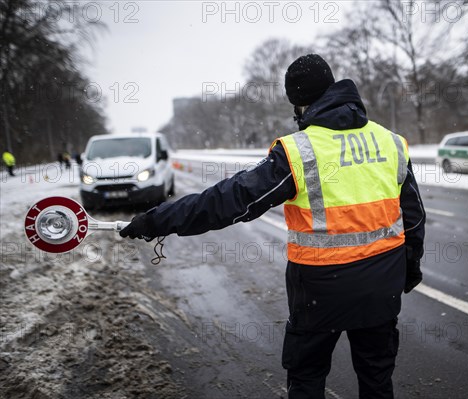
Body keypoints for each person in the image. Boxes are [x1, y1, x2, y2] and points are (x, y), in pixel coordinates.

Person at [120, 54, 426, 399]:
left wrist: (159, 219)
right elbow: (413, 216)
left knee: (307, 376)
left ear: (298, 103)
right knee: (377, 379)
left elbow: (231, 200)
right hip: (380, 285)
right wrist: (409, 266)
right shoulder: (389, 141)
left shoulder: (299, 150)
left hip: (320, 291)